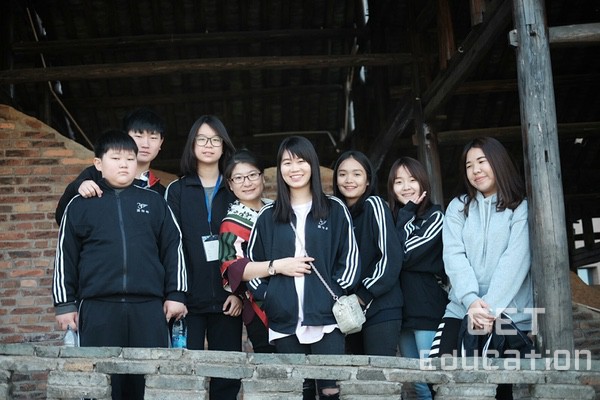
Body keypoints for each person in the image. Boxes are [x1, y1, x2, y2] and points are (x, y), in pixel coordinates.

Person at [52, 130, 187, 400]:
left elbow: (173, 248)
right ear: (98, 163)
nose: (124, 164)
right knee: (99, 385)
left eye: (130, 159)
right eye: (115, 158)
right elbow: (65, 256)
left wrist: (176, 294)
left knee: (149, 384)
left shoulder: (154, 202)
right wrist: (65, 305)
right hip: (98, 307)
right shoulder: (80, 205)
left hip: (149, 308)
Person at [247, 136, 360, 400]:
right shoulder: (268, 216)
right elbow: (252, 264)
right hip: (284, 320)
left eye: (301, 161)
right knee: (298, 392)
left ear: (312, 165)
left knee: (331, 390)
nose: (294, 168)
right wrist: (271, 297)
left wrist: (332, 296)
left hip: (327, 319)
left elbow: (350, 260)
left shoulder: (334, 209)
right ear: (279, 169)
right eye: (287, 163)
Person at [430, 137, 533, 400]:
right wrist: (471, 301)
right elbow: (454, 255)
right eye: (469, 165)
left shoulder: (519, 207)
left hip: (507, 313)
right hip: (462, 308)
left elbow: (516, 259)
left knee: (498, 388)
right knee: (439, 375)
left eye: (482, 162)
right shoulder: (459, 206)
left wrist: (489, 310)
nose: (475, 170)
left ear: (498, 162)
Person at [165, 115, 241, 400]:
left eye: (215, 140)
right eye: (202, 139)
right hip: (187, 302)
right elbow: (170, 246)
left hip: (228, 301)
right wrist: (176, 293)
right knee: (185, 374)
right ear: (192, 145)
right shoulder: (177, 190)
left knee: (227, 374)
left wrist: (239, 293)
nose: (209, 145)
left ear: (224, 146)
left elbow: (247, 246)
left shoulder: (235, 189)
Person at [218, 149, 314, 354]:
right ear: (230, 184)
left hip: (299, 300)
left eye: (252, 175)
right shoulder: (231, 224)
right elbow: (233, 268)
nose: (247, 182)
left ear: (263, 177)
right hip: (260, 305)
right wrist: (277, 267)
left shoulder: (280, 210)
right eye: (239, 178)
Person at [332, 151, 403, 357]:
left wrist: (363, 296)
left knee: (379, 373)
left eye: (357, 174)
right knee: (356, 374)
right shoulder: (337, 215)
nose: (349, 180)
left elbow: (390, 257)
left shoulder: (375, 205)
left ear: (368, 180)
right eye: (342, 174)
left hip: (380, 307)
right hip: (349, 311)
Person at [387, 157, 447, 400]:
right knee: (417, 382)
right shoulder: (390, 218)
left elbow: (403, 254)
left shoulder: (435, 216)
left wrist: (408, 213)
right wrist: (405, 215)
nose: (406, 187)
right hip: (401, 311)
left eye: (412, 180)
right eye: (398, 182)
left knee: (431, 378)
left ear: (423, 183)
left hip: (427, 308)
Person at [55, 108, 167, 224]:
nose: (145, 144)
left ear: (161, 143)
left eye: (153, 138)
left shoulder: (160, 192)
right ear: (125, 137)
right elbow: (62, 217)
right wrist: (76, 187)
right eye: (139, 136)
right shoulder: (94, 175)